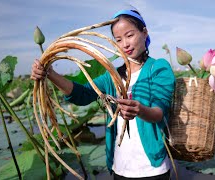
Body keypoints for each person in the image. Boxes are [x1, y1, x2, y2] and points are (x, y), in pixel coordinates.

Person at [31, 8, 175, 180]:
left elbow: (159, 113)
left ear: (144, 33)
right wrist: (50, 74)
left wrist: (140, 110)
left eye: (130, 35)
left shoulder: (158, 67)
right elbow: (82, 94)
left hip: (153, 169)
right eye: (118, 40)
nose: (125, 44)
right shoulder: (112, 76)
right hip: (120, 167)